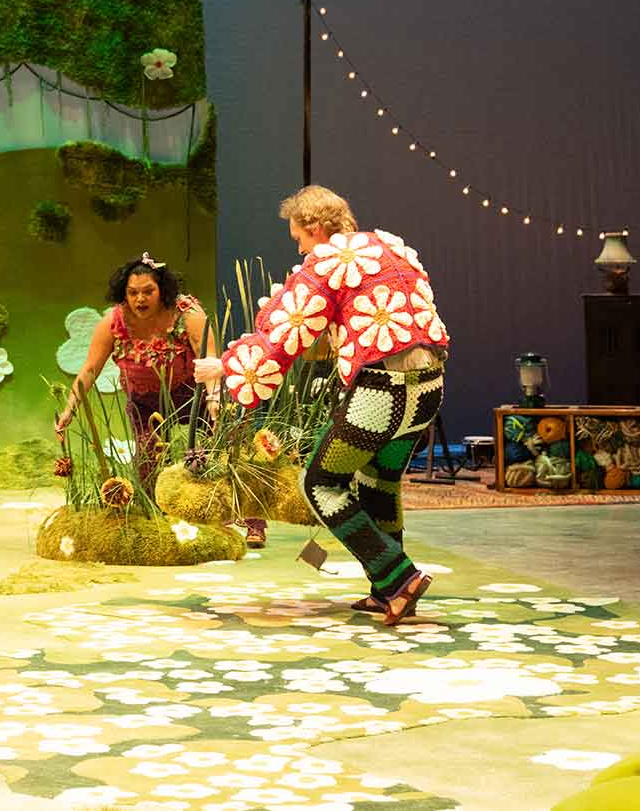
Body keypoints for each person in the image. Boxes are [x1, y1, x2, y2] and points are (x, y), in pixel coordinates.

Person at [198, 185, 450, 625]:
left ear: (315, 228)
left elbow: (286, 330)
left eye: (298, 238)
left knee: (321, 482)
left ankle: (398, 577)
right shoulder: (389, 244)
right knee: (379, 480)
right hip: (428, 387)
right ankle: (386, 591)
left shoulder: (330, 259)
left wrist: (225, 365)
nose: (299, 247)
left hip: (383, 389)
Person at [51, 254, 261, 543]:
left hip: (194, 394)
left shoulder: (187, 314)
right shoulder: (113, 322)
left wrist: (214, 400)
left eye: (148, 291)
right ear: (123, 294)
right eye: (133, 293)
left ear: (162, 289)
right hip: (144, 401)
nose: (140, 299)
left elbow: (209, 360)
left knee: (223, 450)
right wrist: (69, 409)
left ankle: (251, 522)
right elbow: (89, 369)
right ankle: (159, 522)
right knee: (148, 460)